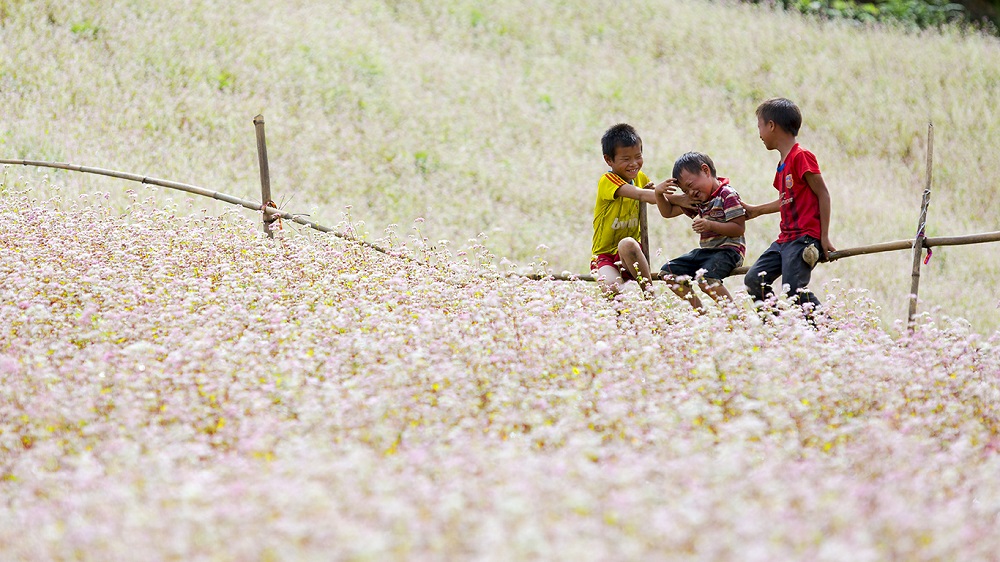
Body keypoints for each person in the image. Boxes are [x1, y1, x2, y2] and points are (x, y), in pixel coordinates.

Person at [742, 97, 835, 312]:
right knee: (754, 279)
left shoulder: (802, 157)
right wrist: (756, 210)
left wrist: (823, 237)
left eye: (760, 127)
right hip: (785, 239)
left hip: (803, 238)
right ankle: (777, 330)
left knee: (793, 290)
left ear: (771, 126)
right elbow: (787, 200)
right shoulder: (782, 165)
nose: (759, 134)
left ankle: (826, 331)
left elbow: (823, 194)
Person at [654, 152, 746, 311]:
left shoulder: (726, 194)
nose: (690, 193)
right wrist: (658, 193)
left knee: (706, 279)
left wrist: (711, 225)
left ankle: (735, 316)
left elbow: (738, 228)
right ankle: (700, 312)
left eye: (690, 185)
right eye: (685, 191)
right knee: (667, 273)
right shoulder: (700, 200)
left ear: (706, 170)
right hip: (708, 253)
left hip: (730, 251)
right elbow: (667, 212)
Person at [590, 123, 674, 295]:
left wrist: (685, 200)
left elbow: (657, 199)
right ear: (609, 160)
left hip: (630, 254)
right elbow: (643, 195)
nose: (634, 164)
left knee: (628, 243)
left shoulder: (640, 178)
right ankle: (623, 320)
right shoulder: (607, 180)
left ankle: (650, 299)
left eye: (638, 156)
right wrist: (658, 193)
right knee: (612, 288)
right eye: (626, 159)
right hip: (604, 256)